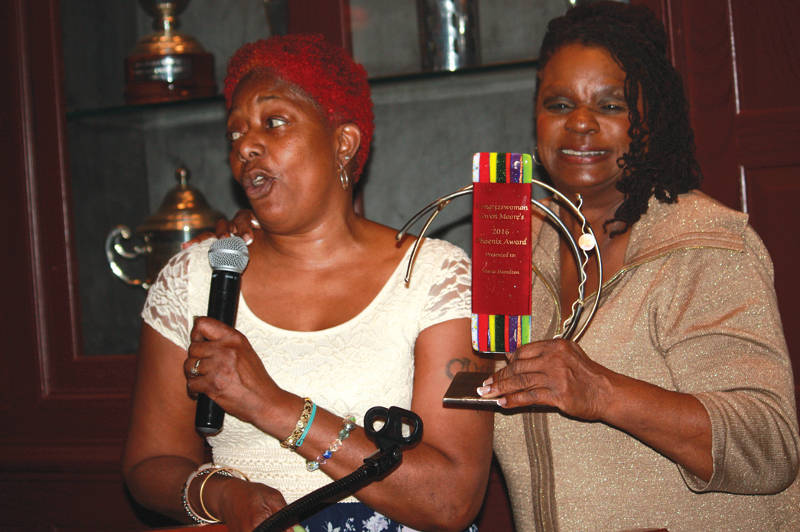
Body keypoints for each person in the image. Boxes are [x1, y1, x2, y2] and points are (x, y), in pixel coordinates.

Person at [121, 34, 493, 532]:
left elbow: (449, 502)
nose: (246, 146)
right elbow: (149, 466)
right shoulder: (195, 278)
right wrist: (222, 495)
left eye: (274, 123)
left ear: (343, 143)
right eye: (235, 134)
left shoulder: (435, 278)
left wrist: (268, 404)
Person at [473, 3, 800, 531]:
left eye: (611, 105)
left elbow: (769, 445)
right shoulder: (511, 243)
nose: (580, 123)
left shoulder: (706, 245)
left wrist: (602, 392)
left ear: (651, 118)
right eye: (559, 103)